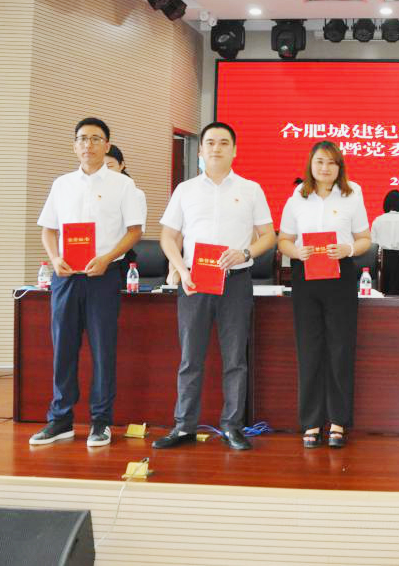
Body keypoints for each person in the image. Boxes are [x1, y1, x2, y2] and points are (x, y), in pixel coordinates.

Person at [153, 122, 276, 452]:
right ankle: (184, 426)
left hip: (235, 281)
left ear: (235, 150)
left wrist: (245, 252)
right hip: (195, 282)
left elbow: (268, 236)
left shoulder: (251, 189)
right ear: (201, 150)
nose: (216, 148)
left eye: (224, 143)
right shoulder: (185, 190)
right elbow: (168, 236)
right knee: (190, 358)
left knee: (235, 358)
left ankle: (232, 426)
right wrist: (181, 270)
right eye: (210, 143)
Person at [30, 118, 145, 448]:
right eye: (82, 139)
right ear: (74, 146)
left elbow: (134, 231)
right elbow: (49, 230)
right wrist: (55, 258)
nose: (88, 145)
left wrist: (107, 258)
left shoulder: (123, 186)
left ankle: (101, 421)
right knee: (63, 348)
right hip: (66, 276)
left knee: (103, 349)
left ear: (106, 145)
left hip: (102, 276)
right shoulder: (62, 184)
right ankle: (60, 420)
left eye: (96, 139)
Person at [278, 141, 372, 449]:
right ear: (311, 164)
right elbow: (284, 241)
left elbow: (365, 239)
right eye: (320, 161)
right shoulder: (297, 197)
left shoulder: (352, 195)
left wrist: (348, 249)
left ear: (339, 167)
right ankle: (311, 422)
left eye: (332, 162)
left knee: (340, 349)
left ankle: (338, 421)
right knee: (309, 349)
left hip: (340, 275)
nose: (325, 168)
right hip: (305, 276)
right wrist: (296, 252)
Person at [104, 144, 149, 276]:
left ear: (121, 165)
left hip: (120, 258)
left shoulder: (135, 194)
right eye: (101, 167)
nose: (105, 171)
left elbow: (137, 231)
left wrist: (108, 256)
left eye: (110, 166)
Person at [370, 189, 399, 295]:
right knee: (398, 294)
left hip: (381, 261)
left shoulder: (378, 220)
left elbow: (372, 246)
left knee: (381, 293)